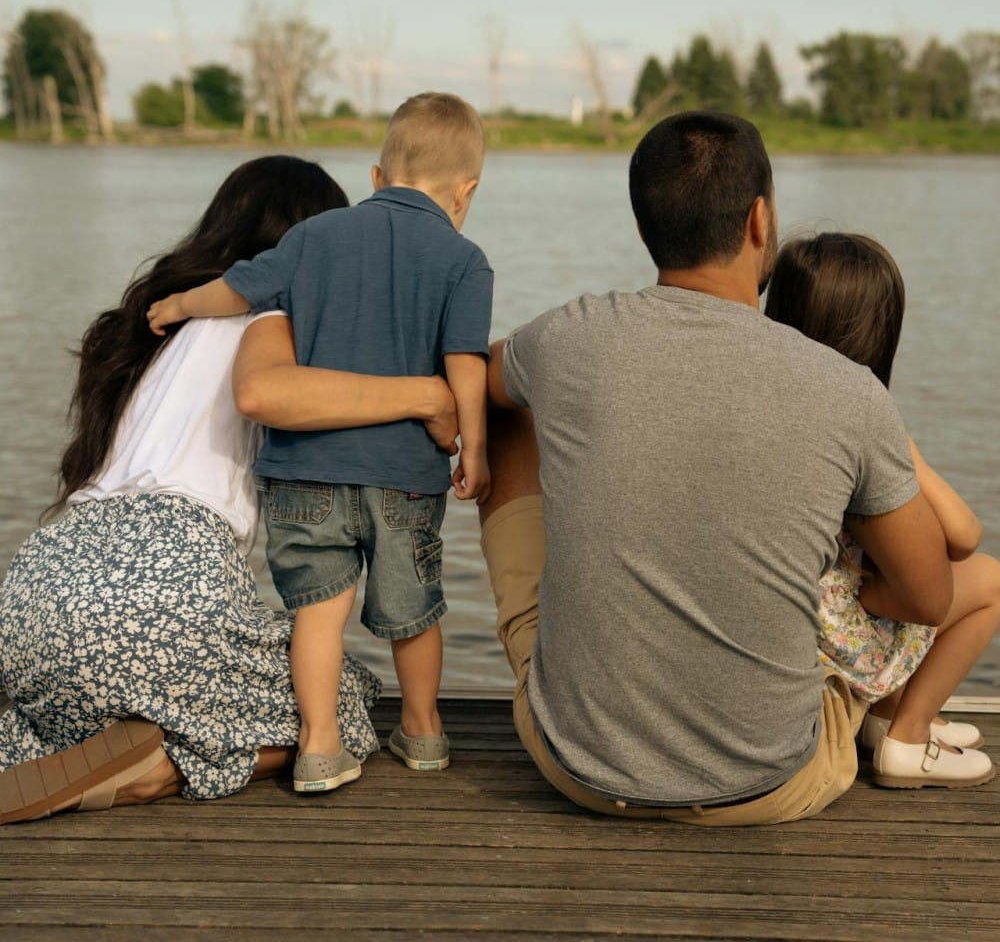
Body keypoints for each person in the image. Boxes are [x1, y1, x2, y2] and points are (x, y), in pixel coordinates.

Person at [475, 110, 958, 825]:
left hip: (572, 764)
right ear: (760, 219)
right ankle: (892, 716)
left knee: (507, 415)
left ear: (645, 231)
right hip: (772, 786)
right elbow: (928, 598)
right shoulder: (846, 389)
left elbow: (476, 382)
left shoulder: (569, 334)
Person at [0, 155, 407, 824]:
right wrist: (427, 394)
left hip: (33, 593)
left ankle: (95, 739)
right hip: (161, 592)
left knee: (92, 690)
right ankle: (160, 766)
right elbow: (278, 395)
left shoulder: (153, 330)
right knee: (341, 699)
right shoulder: (277, 320)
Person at [146, 93, 494, 791]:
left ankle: (319, 747)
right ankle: (423, 734)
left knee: (317, 612)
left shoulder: (314, 238)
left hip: (306, 472)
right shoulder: (464, 259)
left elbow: (240, 291)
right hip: (404, 475)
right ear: (468, 191)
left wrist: (180, 304)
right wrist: (475, 449)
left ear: (375, 177)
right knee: (413, 610)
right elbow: (466, 362)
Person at [764, 232, 999, 787]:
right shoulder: (862, 421)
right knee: (988, 580)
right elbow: (963, 536)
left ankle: (885, 716)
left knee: (885, 578)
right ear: (880, 334)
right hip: (839, 642)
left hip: (800, 625)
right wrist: (906, 448)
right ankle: (907, 738)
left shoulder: (772, 412)